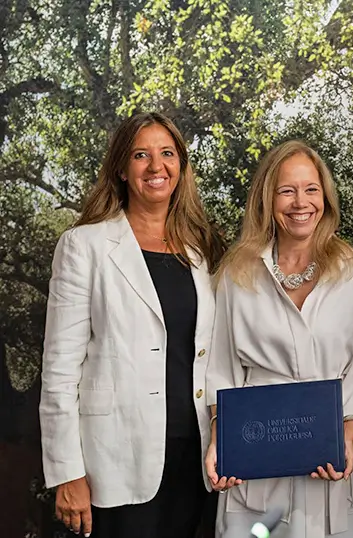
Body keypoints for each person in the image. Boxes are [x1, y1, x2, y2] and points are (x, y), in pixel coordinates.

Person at [40, 112, 225, 537]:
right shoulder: (84, 245)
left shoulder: (201, 251)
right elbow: (60, 371)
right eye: (141, 155)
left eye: (167, 154)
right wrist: (67, 471)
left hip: (193, 458)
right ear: (122, 169)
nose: (156, 167)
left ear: (180, 165)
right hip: (115, 459)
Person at [204, 140, 353, 538]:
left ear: (325, 197)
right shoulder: (236, 276)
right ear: (267, 200)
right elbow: (220, 368)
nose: (300, 202)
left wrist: (347, 435)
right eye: (286, 191)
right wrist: (221, 440)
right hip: (258, 468)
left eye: (311, 189)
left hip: (337, 464)